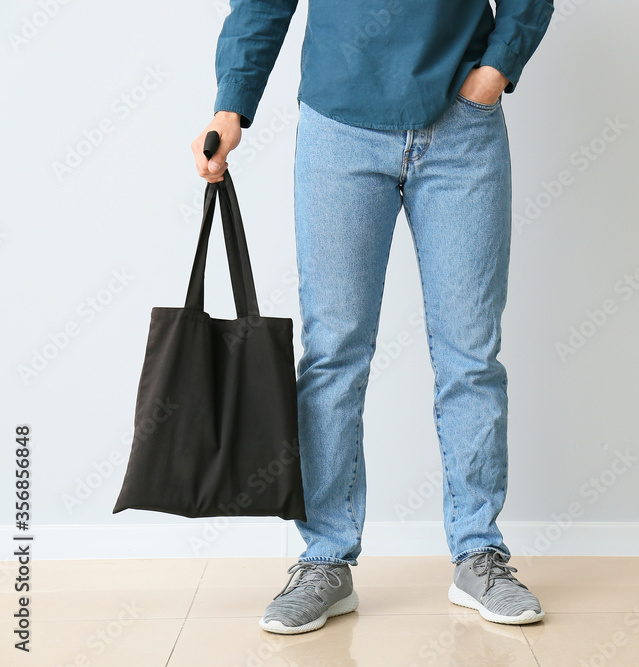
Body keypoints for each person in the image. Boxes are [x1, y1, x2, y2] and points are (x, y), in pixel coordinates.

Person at [190, 0, 554, 635]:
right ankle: (326, 558)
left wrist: (496, 68)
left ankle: (479, 551)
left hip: (462, 127)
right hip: (339, 128)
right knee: (333, 355)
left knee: (470, 356)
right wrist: (231, 101)